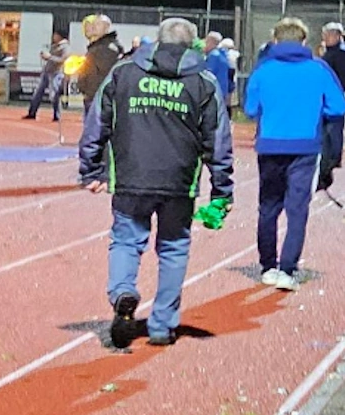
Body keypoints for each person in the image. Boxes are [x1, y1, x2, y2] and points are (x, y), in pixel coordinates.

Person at [79, 18, 235, 348]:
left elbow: (97, 121)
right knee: (173, 249)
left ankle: (122, 292)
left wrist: (90, 169)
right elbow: (218, 140)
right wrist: (222, 190)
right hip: (179, 181)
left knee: (125, 241)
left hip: (130, 176)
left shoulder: (124, 73)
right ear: (192, 44)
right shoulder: (203, 82)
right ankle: (162, 325)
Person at [244, 17, 345, 291]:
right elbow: (338, 106)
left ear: (275, 41)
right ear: (304, 41)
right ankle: (288, 269)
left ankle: (267, 265)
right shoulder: (319, 69)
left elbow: (251, 109)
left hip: (269, 146)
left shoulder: (263, 71)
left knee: (268, 207)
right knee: (297, 210)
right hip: (305, 147)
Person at [321, 23, 345, 166]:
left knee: (334, 129)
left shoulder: (341, 53)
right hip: (327, 96)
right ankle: (328, 155)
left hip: (334, 97)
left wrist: (338, 95)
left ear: (336, 35)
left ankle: (334, 157)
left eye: (327, 35)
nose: (325, 38)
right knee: (327, 130)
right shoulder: (330, 52)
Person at [77, 14, 123, 112]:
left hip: (99, 99)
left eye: (98, 24)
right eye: (93, 24)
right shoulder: (97, 47)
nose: (93, 26)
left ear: (106, 27)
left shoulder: (108, 48)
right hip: (92, 96)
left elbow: (105, 74)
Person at [23, 30, 69, 121]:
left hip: (56, 73)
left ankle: (57, 115)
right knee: (38, 93)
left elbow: (63, 60)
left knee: (54, 95)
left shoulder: (65, 47)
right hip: (47, 72)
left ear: (60, 36)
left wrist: (49, 57)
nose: (53, 37)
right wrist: (46, 57)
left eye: (55, 35)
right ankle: (32, 112)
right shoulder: (55, 46)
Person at [203, 31, 232, 111]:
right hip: (222, 91)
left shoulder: (214, 56)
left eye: (206, 41)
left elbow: (207, 74)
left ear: (211, 42)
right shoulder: (222, 54)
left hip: (214, 92)